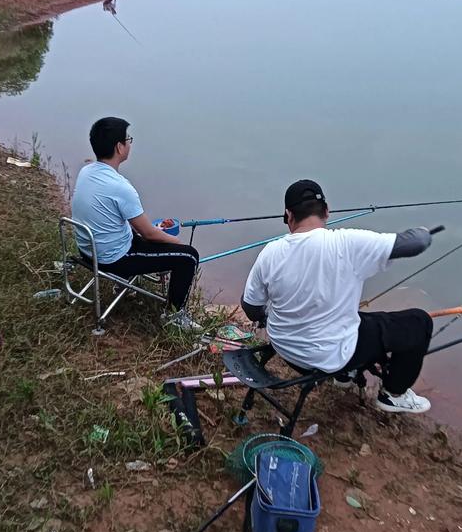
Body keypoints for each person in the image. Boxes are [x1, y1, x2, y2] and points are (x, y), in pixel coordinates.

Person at [241, 179, 434, 414]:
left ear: (289, 215)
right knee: (418, 322)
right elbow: (417, 242)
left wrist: (269, 318)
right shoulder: (347, 243)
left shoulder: (270, 252)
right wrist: (426, 231)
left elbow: (251, 306)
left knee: (359, 318)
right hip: (329, 357)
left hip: (285, 347)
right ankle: (394, 393)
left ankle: (345, 375)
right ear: (327, 211)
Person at [72, 116, 200, 328]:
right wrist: (175, 242)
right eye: (128, 139)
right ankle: (174, 317)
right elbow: (149, 234)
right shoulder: (121, 187)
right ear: (119, 147)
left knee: (143, 237)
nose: (130, 143)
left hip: (88, 250)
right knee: (188, 256)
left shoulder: (87, 171)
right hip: (112, 258)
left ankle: (126, 285)